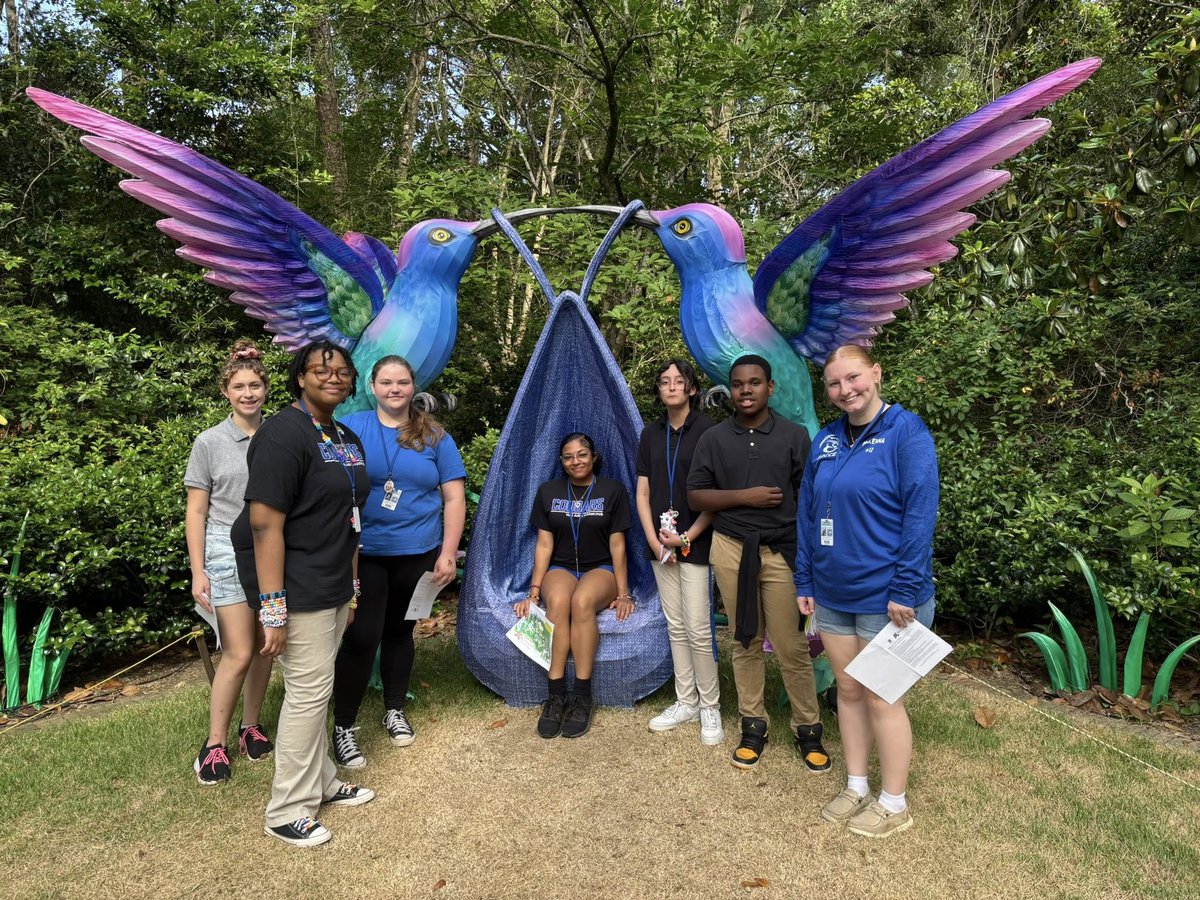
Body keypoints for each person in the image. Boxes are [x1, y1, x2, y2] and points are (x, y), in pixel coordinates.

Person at [231, 340, 376, 848]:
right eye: (321, 369)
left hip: (335, 580)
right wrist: (273, 608)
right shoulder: (281, 435)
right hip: (297, 585)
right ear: (300, 377)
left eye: (342, 371)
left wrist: (353, 586)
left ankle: (323, 782)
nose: (333, 377)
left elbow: (352, 516)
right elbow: (265, 525)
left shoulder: (344, 435)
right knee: (309, 694)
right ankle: (287, 808)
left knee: (317, 688)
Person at [795, 344, 938, 838]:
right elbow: (809, 513)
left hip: (888, 597)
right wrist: (805, 578)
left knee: (882, 697)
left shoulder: (906, 432)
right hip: (833, 594)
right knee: (849, 690)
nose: (845, 390)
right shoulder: (828, 441)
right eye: (834, 383)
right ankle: (857, 785)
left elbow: (921, 513)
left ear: (875, 374)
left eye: (853, 378)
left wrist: (907, 586)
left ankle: (894, 803)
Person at [687, 354, 830, 772]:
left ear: (771, 388)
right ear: (729, 390)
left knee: (790, 644)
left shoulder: (793, 436)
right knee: (745, 639)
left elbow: (810, 500)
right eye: (737, 384)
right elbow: (697, 496)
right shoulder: (714, 439)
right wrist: (744, 497)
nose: (745, 390)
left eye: (754, 383)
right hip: (732, 548)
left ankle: (808, 729)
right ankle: (753, 724)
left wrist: (810, 557)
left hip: (782, 550)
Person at [331, 355, 467, 767]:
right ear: (372, 386)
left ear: (413, 386)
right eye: (387, 381)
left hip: (419, 553)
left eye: (403, 382)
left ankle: (394, 710)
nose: (395, 389)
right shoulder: (350, 429)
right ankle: (344, 726)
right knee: (361, 635)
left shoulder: (435, 436)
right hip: (365, 554)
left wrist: (447, 552)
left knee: (400, 632)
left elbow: (454, 496)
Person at [185, 340, 275, 784]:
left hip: (272, 546)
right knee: (238, 650)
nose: (248, 393)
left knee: (265, 644)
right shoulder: (210, 442)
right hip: (224, 547)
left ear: (265, 387)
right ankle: (214, 744)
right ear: (226, 391)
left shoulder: (280, 435)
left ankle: (250, 725)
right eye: (239, 386)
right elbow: (197, 511)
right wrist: (197, 568)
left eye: (255, 384)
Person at [513, 433, 634, 739]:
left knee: (581, 603)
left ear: (594, 457)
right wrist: (534, 592)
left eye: (582, 455)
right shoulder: (549, 491)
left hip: (600, 568)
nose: (575, 461)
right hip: (561, 567)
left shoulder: (612, 490)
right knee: (559, 603)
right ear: (561, 462)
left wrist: (624, 593)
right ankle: (555, 696)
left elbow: (618, 546)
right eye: (568, 457)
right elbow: (543, 545)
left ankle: (581, 696)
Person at [635, 359, 723, 744]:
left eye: (679, 381)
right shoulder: (650, 434)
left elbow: (717, 495)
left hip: (695, 543)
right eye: (664, 381)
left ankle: (711, 708)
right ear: (659, 390)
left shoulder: (710, 431)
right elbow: (642, 491)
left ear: (691, 388)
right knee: (675, 625)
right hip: (660, 545)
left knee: (700, 628)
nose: (671, 386)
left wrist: (686, 536)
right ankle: (685, 701)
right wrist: (656, 542)